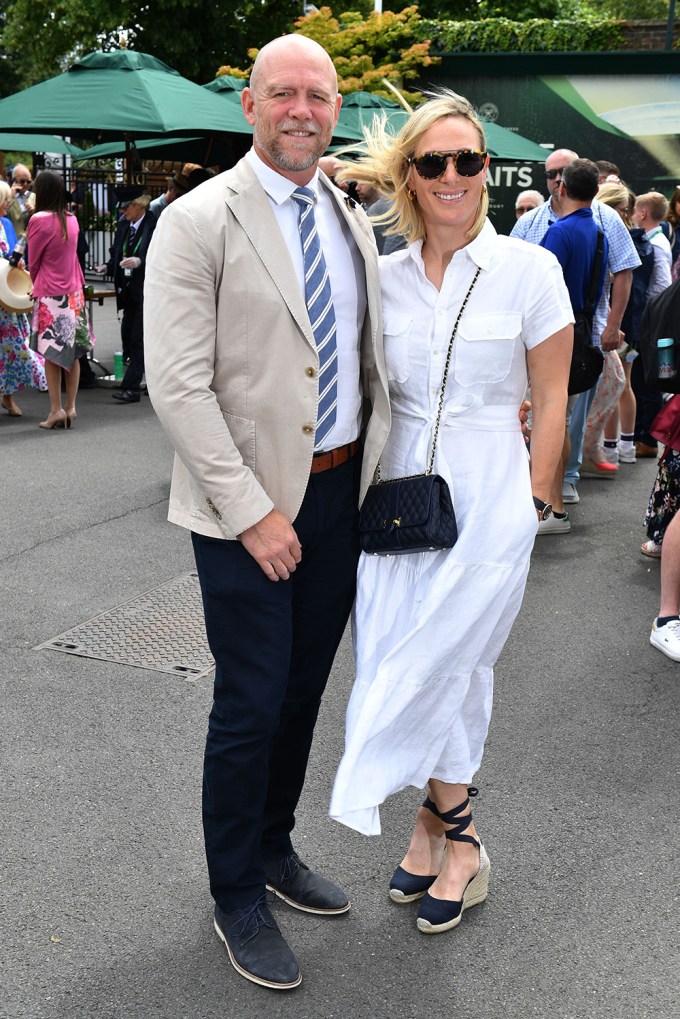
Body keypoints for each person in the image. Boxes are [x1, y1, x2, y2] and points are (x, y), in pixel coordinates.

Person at [143, 34, 390, 991]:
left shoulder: (346, 213)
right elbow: (178, 383)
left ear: (337, 108)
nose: (301, 109)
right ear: (250, 105)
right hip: (245, 511)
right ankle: (236, 890)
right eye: (282, 93)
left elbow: (363, 359)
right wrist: (251, 512)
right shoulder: (200, 218)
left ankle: (276, 849)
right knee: (248, 703)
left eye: (318, 95)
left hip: (338, 495)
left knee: (301, 693)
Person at [328, 90, 573, 938]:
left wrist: (535, 503)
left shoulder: (530, 271)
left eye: (468, 160)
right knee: (420, 662)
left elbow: (550, 398)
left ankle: (458, 839)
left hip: (491, 503)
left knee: (440, 661)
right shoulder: (382, 274)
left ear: (488, 172)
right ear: (409, 175)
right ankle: (435, 829)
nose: (452, 175)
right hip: (396, 507)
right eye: (432, 161)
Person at [512, 148, 639, 505]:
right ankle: (547, 490)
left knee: (558, 416)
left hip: (572, 336)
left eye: (560, 173)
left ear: (566, 183)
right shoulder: (537, 222)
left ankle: (556, 491)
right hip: (550, 333)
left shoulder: (589, 224)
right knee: (555, 414)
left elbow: (624, 271)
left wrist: (612, 326)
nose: (555, 179)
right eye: (550, 173)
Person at [536, 158, 608, 534]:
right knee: (559, 418)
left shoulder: (559, 233)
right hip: (582, 334)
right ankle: (554, 504)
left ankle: (551, 507)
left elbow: (540, 292)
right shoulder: (599, 233)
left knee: (551, 419)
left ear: (561, 187)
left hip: (553, 334)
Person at [27, 170, 94, 430]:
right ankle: (71, 407)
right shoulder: (71, 219)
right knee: (73, 353)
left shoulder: (38, 220)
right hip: (74, 293)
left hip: (51, 294)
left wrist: (35, 285)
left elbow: (34, 263)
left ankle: (55, 410)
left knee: (51, 354)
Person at [96, 189, 156, 404]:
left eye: (125, 207)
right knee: (129, 335)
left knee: (138, 338)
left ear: (139, 205)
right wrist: (107, 266)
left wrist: (141, 261)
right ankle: (147, 381)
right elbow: (116, 252)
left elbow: (157, 252)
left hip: (146, 289)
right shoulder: (123, 225)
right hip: (127, 291)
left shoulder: (153, 223)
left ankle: (131, 388)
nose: (122, 212)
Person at [0, 181, 46, 416]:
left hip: (7, 298)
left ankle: (9, 396)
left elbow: (11, 253)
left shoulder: (6, 222)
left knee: (14, 347)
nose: (8, 203)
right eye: (5, 199)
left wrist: (17, 261)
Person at [6, 163, 34, 238]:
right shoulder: (7, 196)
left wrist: (34, 212)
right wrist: (11, 197)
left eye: (28, 181)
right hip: (13, 240)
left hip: (30, 240)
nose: (25, 184)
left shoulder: (34, 197)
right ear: (14, 180)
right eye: (22, 181)